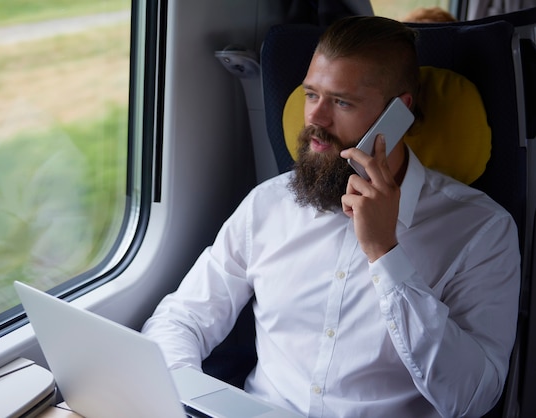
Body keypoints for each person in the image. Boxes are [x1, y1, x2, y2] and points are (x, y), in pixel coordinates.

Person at [142, 16, 520, 417]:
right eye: (311, 95)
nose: (315, 121)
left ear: (399, 113)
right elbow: (182, 318)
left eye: (341, 102)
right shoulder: (267, 205)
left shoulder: (482, 230)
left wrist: (386, 255)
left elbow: (472, 399)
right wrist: (177, 400)